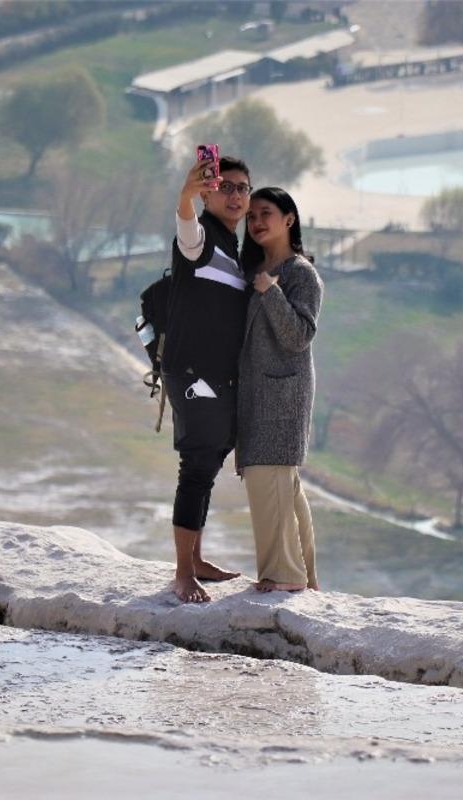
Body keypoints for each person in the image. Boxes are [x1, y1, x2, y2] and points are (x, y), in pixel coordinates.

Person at [165, 153, 253, 603]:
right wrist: (186, 195)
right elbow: (186, 226)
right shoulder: (200, 238)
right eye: (226, 187)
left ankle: (196, 559)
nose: (235, 195)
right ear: (209, 194)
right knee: (197, 465)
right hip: (192, 373)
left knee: (211, 461)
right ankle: (183, 574)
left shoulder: (235, 247)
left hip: (218, 376)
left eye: (243, 188)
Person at [236, 187, 323, 593]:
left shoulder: (300, 273)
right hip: (259, 394)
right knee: (283, 486)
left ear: (289, 219)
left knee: (267, 477)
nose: (256, 222)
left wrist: (270, 292)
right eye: (251, 216)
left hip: (282, 397)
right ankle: (305, 577)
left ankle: (283, 576)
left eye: (265, 213)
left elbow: (299, 336)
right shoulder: (254, 270)